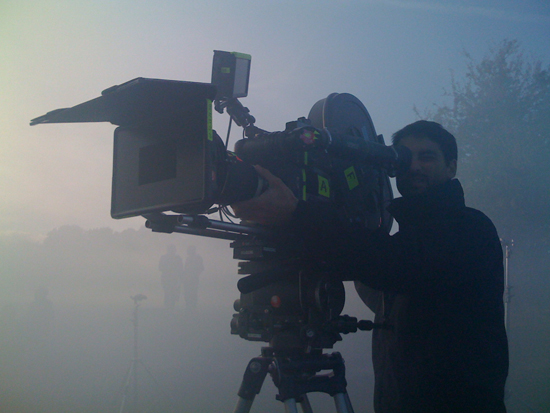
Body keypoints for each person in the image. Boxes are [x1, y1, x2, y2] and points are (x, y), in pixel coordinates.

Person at [231, 120, 509, 412]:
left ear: (451, 167)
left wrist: (298, 214)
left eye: (427, 157)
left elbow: (392, 265)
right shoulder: (405, 240)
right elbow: (373, 268)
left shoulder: (471, 229)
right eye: (404, 158)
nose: (413, 167)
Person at [158, 244, 184, 310]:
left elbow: (181, 269)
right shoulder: (164, 257)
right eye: (171, 249)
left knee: (173, 293)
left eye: (173, 249)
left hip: (173, 278)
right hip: (166, 278)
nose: (172, 251)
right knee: (167, 292)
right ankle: (168, 307)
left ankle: (171, 307)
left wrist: (181, 278)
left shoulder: (177, 258)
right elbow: (160, 268)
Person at [182, 245, 203, 315]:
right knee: (188, 293)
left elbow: (201, 268)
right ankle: (189, 307)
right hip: (188, 279)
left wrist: (194, 274)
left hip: (193, 279)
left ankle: (192, 307)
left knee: (193, 293)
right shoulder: (189, 258)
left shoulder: (197, 258)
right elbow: (185, 269)